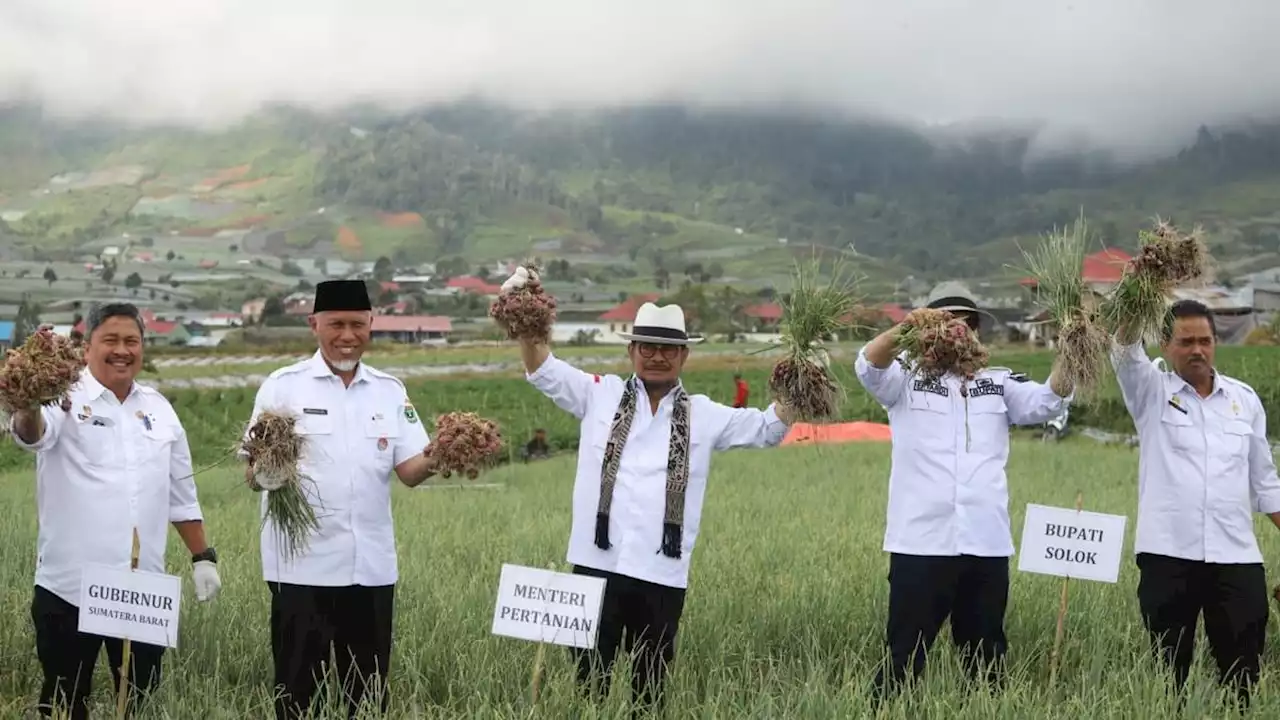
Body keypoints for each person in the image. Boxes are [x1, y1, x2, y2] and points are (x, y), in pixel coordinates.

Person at [501, 266, 795, 713]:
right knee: (587, 684)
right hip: (594, 564)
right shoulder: (597, 395)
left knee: (650, 690)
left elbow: (767, 428)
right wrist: (524, 313)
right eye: (648, 347)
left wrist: (800, 379)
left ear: (683, 357)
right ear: (633, 351)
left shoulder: (704, 413)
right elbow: (542, 367)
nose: (657, 356)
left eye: (668, 349)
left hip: (662, 573)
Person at [854, 290, 1074, 702]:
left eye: (965, 323)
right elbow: (868, 364)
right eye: (945, 321)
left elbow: (1050, 400)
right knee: (904, 655)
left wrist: (1074, 347)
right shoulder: (905, 380)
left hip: (985, 543)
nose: (957, 330)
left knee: (986, 656)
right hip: (921, 543)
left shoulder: (999, 382)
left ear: (975, 332)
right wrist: (907, 327)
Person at [8, 303, 221, 720]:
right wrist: (28, 401)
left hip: (142, 590)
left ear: (143, 348)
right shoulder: (60, 397)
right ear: (87, 346)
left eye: (132, 341)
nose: (122, 350)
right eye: (110, 340)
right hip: (69, 587)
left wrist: (202, 558)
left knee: (139, 702)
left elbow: (181, 492)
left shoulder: (160, 409)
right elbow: (31, 435)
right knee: (65, 703)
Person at [241, 279, 443, 720]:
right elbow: (251, 473)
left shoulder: (389, 390)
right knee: (297, 698)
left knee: (367, 699)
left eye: (357, 324)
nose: (347, 335)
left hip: (369, 571)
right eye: (336, 324)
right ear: (314, 324)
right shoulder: (283, 387)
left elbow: (410, 470)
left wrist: (446, 452)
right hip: (300, 571)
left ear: (372, 324)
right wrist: (267, 473)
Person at [1111, 299, 1280, 708]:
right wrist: (1140, 289)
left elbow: (1265, 480)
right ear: (1167, 346)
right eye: (1185, 342)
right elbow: (1124, 349)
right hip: (1168, 554)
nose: (1197, 350)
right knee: (1170, 675)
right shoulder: (1150, 390)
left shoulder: (1244, 401)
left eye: (1205, 340)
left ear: (1216, 342)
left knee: (1242, 672)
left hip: (1235, 555)